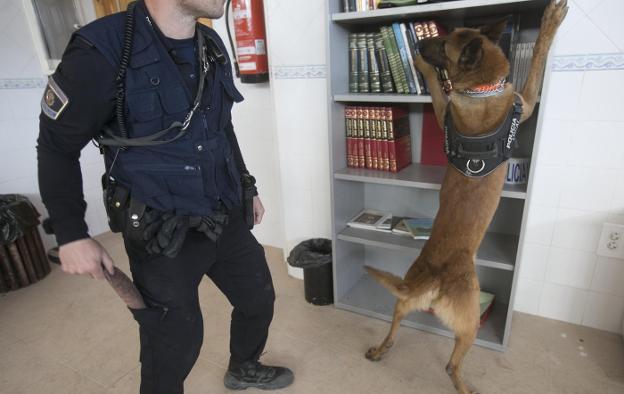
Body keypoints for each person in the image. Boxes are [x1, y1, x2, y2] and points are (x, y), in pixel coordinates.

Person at [36, 0, 293, 392]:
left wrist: (246, 185)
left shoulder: (210, 45)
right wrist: (71, 234)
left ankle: (243, 366)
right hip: (160, 227)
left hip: (222, 211)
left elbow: (220, 128)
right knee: (175, 339)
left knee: (258, 298)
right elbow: (56, 146)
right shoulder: (101, 50)